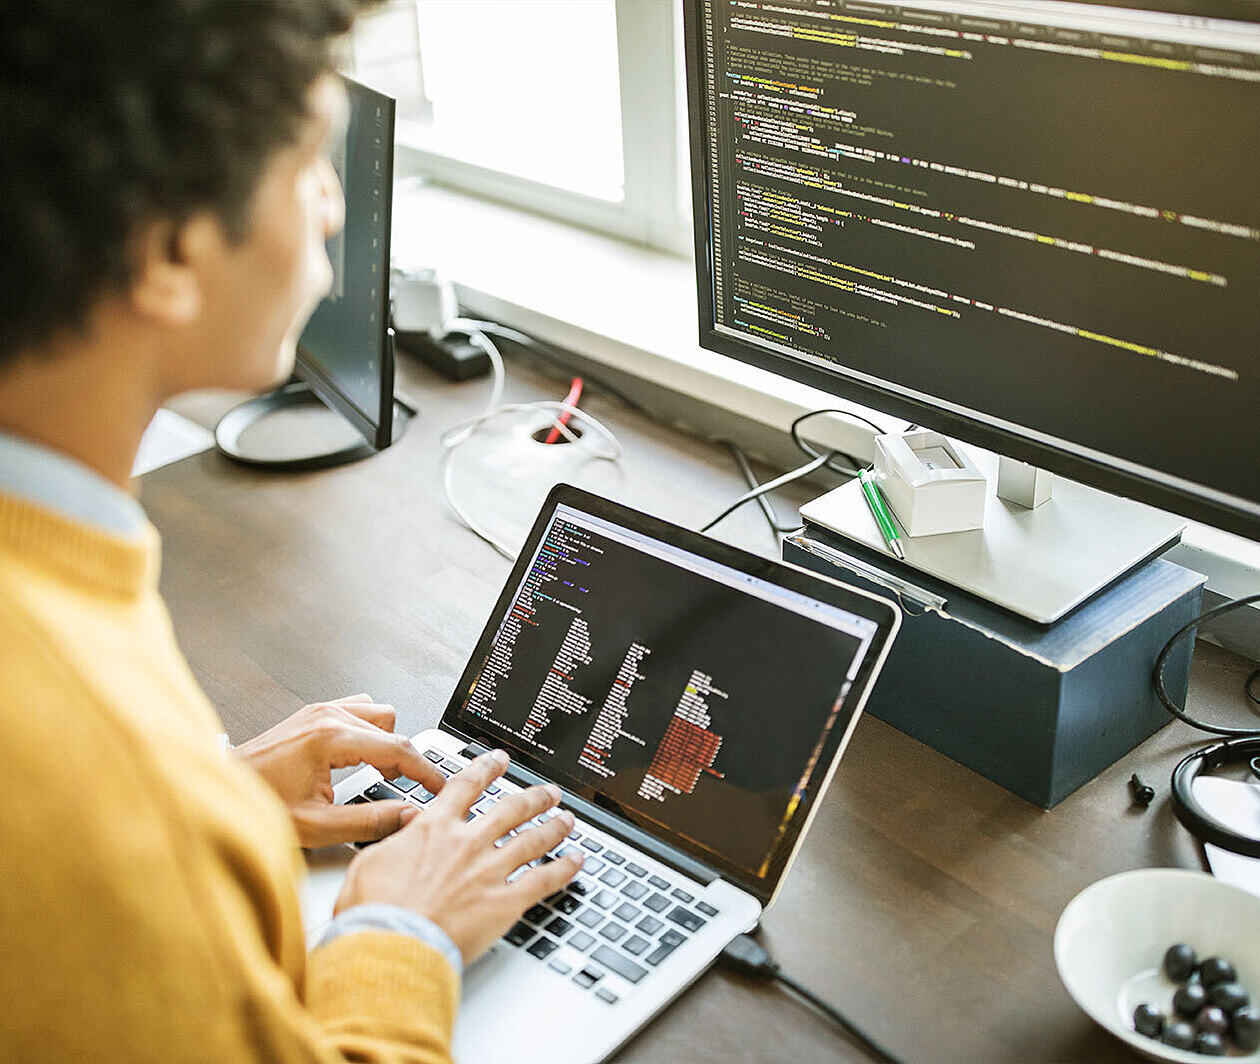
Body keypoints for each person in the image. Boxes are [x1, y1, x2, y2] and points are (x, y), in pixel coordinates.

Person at [0, 2, 583, 1061]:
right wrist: (396, 930)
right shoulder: (72, 760)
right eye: (312, 166)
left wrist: (206, 798)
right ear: (170, 248)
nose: (332, 212)